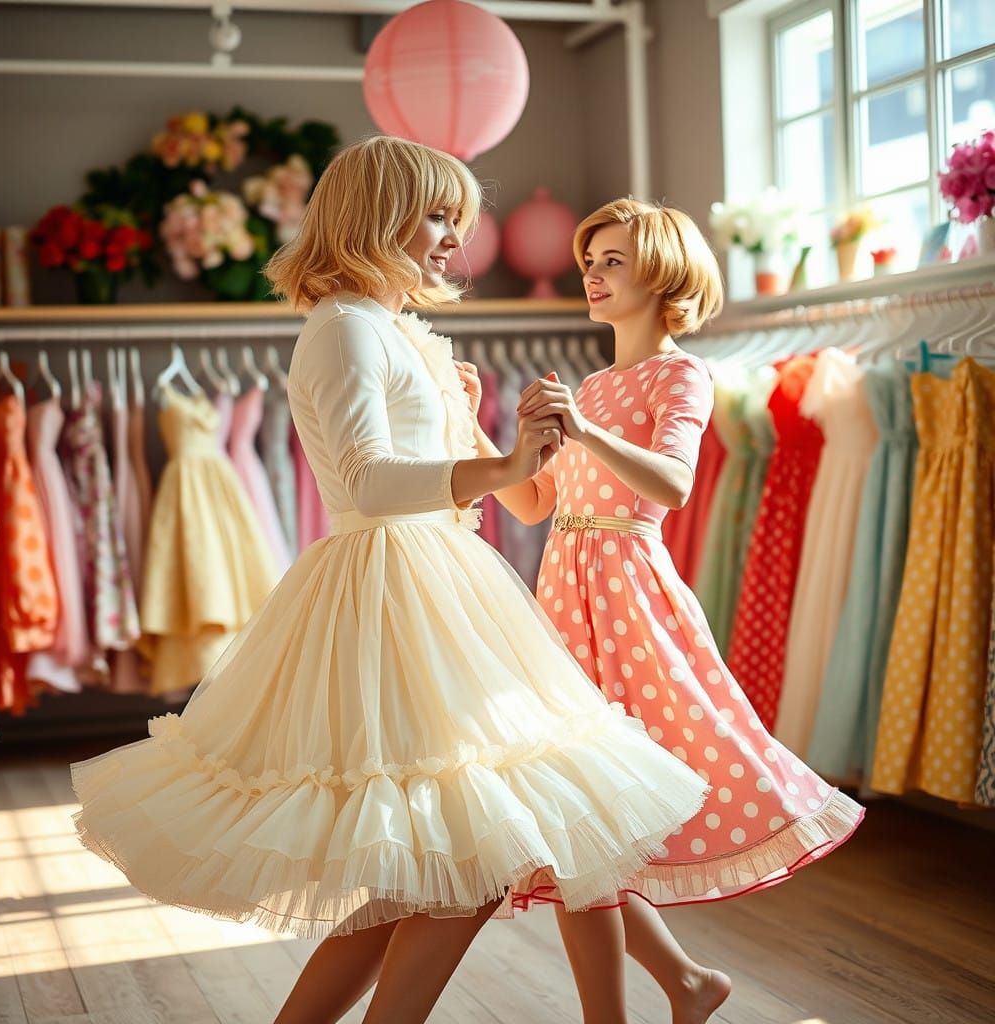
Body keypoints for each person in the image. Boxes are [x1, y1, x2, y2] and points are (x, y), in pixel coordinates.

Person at [71, 146, 712, 1024]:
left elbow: (418, 473)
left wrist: (477, 431)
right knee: (466, 859)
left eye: (459, 220)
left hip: (431, 580)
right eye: (440, 218)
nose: (458, 240)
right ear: (379, 216)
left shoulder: (382, 324)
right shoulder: (345, 325)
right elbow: (369, 484)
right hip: (395, 587)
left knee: (431, 866)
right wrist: (502, 464)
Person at [465, 198, 864, 1024]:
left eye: (612, 260)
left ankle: (659, 996)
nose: (593, 274)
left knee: (587, 825)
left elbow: (672, 485)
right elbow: (538, 506)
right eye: (591, 260)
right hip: (565, 599)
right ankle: (686, 984)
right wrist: (485, 430)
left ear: (662, 274)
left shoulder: (681, 374)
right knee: (578, 825)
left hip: (629, 602)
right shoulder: (594, 386)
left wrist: (582, 428)